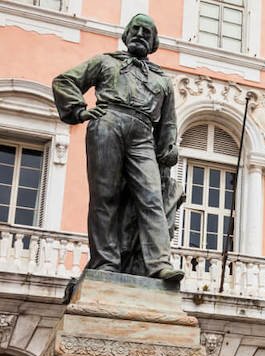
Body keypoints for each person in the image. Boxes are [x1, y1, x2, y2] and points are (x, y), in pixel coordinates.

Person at [52, 14, 184, 281]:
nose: (139, 34)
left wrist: (168, 149)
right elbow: (65, 81)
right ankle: (106, 262)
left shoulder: (162, 80)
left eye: (146, 32)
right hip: (107, 122)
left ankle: (158, 264)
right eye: (134, 29)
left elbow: (168, 122)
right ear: (125, 35)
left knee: (152, 198)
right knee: (105, 195)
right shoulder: (105, 61)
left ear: (154, 42)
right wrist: (79, 111)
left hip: (143, 133)